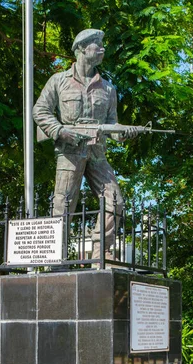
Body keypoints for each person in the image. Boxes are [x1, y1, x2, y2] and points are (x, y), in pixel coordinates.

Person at [33, 28, 137, 260]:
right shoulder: (59, 81)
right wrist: (60, 131)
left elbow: (112, 126)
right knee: (64, 203)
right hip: (69, 152)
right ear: (80, 48)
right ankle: (56, 256)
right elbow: (40, 111)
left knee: (115, 200)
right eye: (96, 45)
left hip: (97, 152)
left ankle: (102, 251)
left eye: (102, 45)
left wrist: (124, 133)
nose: (102, 49)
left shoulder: (108, 89)